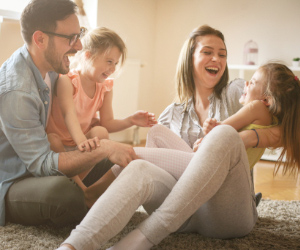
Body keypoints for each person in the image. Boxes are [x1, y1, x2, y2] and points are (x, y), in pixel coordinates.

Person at [57, 26, 298, 250]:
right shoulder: (171, 113)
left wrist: (246, 137)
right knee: (144, 157)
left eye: (222, 54)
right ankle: (73, 244)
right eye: (208, 52)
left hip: (227, 214)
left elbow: (288, 122)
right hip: (185, 213)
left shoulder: (237, 92)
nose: (217, 59)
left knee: (223, 134)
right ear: (190, 59)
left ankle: (142, 234)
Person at [0, 0, 137, 227]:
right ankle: (83, 200)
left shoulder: (51, 67)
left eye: (79, 34)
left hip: (46, 161)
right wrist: (103, 147)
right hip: (16, 179)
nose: (80, 45)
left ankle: (89, 197)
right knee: (64, 195)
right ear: (40, 39)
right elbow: (41, 163)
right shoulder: (17, 91)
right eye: (71, 37)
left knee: (120, 167)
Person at [45, 27, 156, 203]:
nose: (112, 68)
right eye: (109, 61)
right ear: (88, 56)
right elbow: (69, 115)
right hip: (61, 146)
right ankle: (82, 191)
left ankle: (79, 186)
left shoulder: (104, 87)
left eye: (116, 63)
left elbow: (108, 122)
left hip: (79, 144)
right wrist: (82, 142)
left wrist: (131, 120)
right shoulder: (67, 80)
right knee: (51, 139)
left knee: (101, 132)